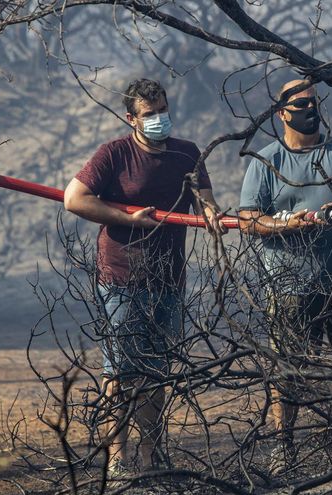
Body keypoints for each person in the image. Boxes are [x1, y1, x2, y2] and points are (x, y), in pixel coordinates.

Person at [64, 78, 225, 476]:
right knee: (119, 370)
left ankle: (152, 455)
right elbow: (74, 198)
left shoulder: (187, 153)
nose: (158, 119)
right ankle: (117, 460)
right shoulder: (114, 154)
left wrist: (212, 216)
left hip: (169, 277)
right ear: (130, 117)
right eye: (149, 114)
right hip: (121, 275)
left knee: (157, 369)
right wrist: (126, 220)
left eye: (162, 111)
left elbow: (205, 200)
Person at [238, 79, 332, 473]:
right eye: (302, 103)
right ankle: (283, 448)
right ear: (282, 112)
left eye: (314, 102)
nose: (310, 109)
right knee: (287, 369)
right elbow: (249, 220)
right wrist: (287, 226)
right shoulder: (265, 162)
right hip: (289, 285)